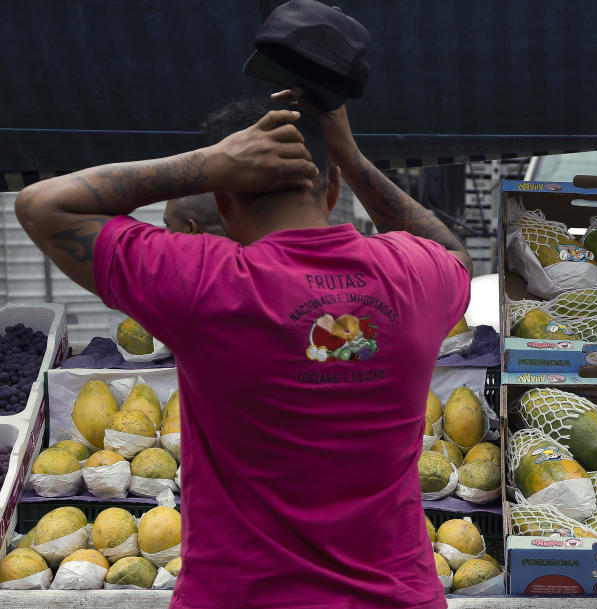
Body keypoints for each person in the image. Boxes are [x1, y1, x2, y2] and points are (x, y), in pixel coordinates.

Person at [16, 91, 472, 609]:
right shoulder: (411, 273)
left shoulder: (205, 283)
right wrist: (351, 154)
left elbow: (41, 204)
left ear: (222, 201)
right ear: (334, 187)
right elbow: (454, 252)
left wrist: (207, 165)